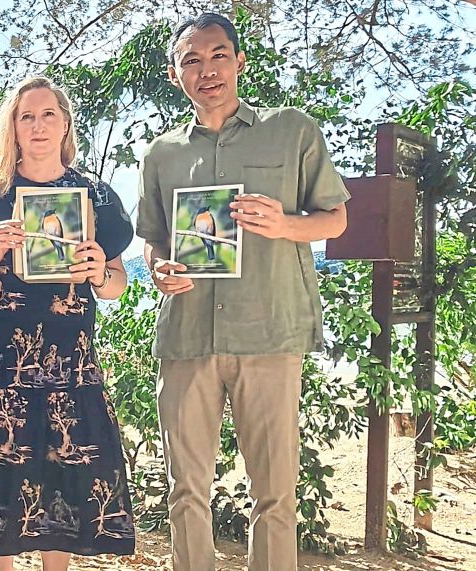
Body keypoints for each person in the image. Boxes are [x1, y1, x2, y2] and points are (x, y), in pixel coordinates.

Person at [136, 13, 350, 571]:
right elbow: (153, 241)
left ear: (239, 62)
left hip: (270, 334)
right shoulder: (160, 155)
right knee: (185, 492)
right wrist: (158, 270)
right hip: (187, 337)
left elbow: (335, 219)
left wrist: (285, 224)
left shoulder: (292, 130)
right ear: (175, 74)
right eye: (191, 60)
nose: (206, 70)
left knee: (275, 495)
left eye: (218, 55)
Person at [0, 76, 136, 570]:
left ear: (65, 124)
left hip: (69, 364)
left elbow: (117, 284)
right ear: (13, 127)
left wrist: (98, 271)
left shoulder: (95, 196)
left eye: (48, 115)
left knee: (62, 477)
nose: (38, 126)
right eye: (27, 116)